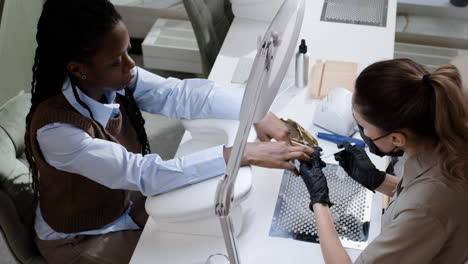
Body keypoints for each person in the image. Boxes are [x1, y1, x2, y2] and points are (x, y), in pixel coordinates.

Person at [24, 0, 313, 262]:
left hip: (122, 203)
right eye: (116, 60)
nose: (131, 65)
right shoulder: (58, 132)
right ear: (78, 69)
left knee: (214, 233)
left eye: (127, 51)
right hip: (83, 238)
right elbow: (145, 175)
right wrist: (242, 153)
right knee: (193, 253)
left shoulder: (114, 77)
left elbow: (178, 95)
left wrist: (255, 110)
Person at [299, 58, 468, 263]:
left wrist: (319, 201)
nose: (361, 132)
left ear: (396, 138)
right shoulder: (441, 143)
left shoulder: (427, 209)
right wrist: (378, 180)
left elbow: (424, 205)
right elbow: (418, 193)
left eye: (362, 126)